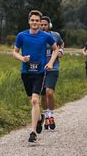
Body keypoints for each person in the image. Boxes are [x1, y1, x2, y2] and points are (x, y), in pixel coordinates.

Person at [13, 10, 58, 142]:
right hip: (26, 72)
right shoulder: (21, 36)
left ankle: (33, 132)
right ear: (29, 21)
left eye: (37, 21)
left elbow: (55, 50)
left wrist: (50, 63)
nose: (35, 23)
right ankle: (39, 119)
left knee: (34, 100)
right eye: (32, 20)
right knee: (32, 99)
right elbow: (14, 52)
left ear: (40, 22)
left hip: (39, 73)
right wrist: (22, 58)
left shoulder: (46, 36)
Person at [39, 16, 64, 130]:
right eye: (42, 24)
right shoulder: (36, 36)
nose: (43, 26)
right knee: (43, 95)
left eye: (45, 24)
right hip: (40, 69)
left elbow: (61, 43)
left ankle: (51, 114)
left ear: (49, 25)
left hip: (53, 67)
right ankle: (45, 114)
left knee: (49, 92)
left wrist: (61, 51)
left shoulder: (55, 35)